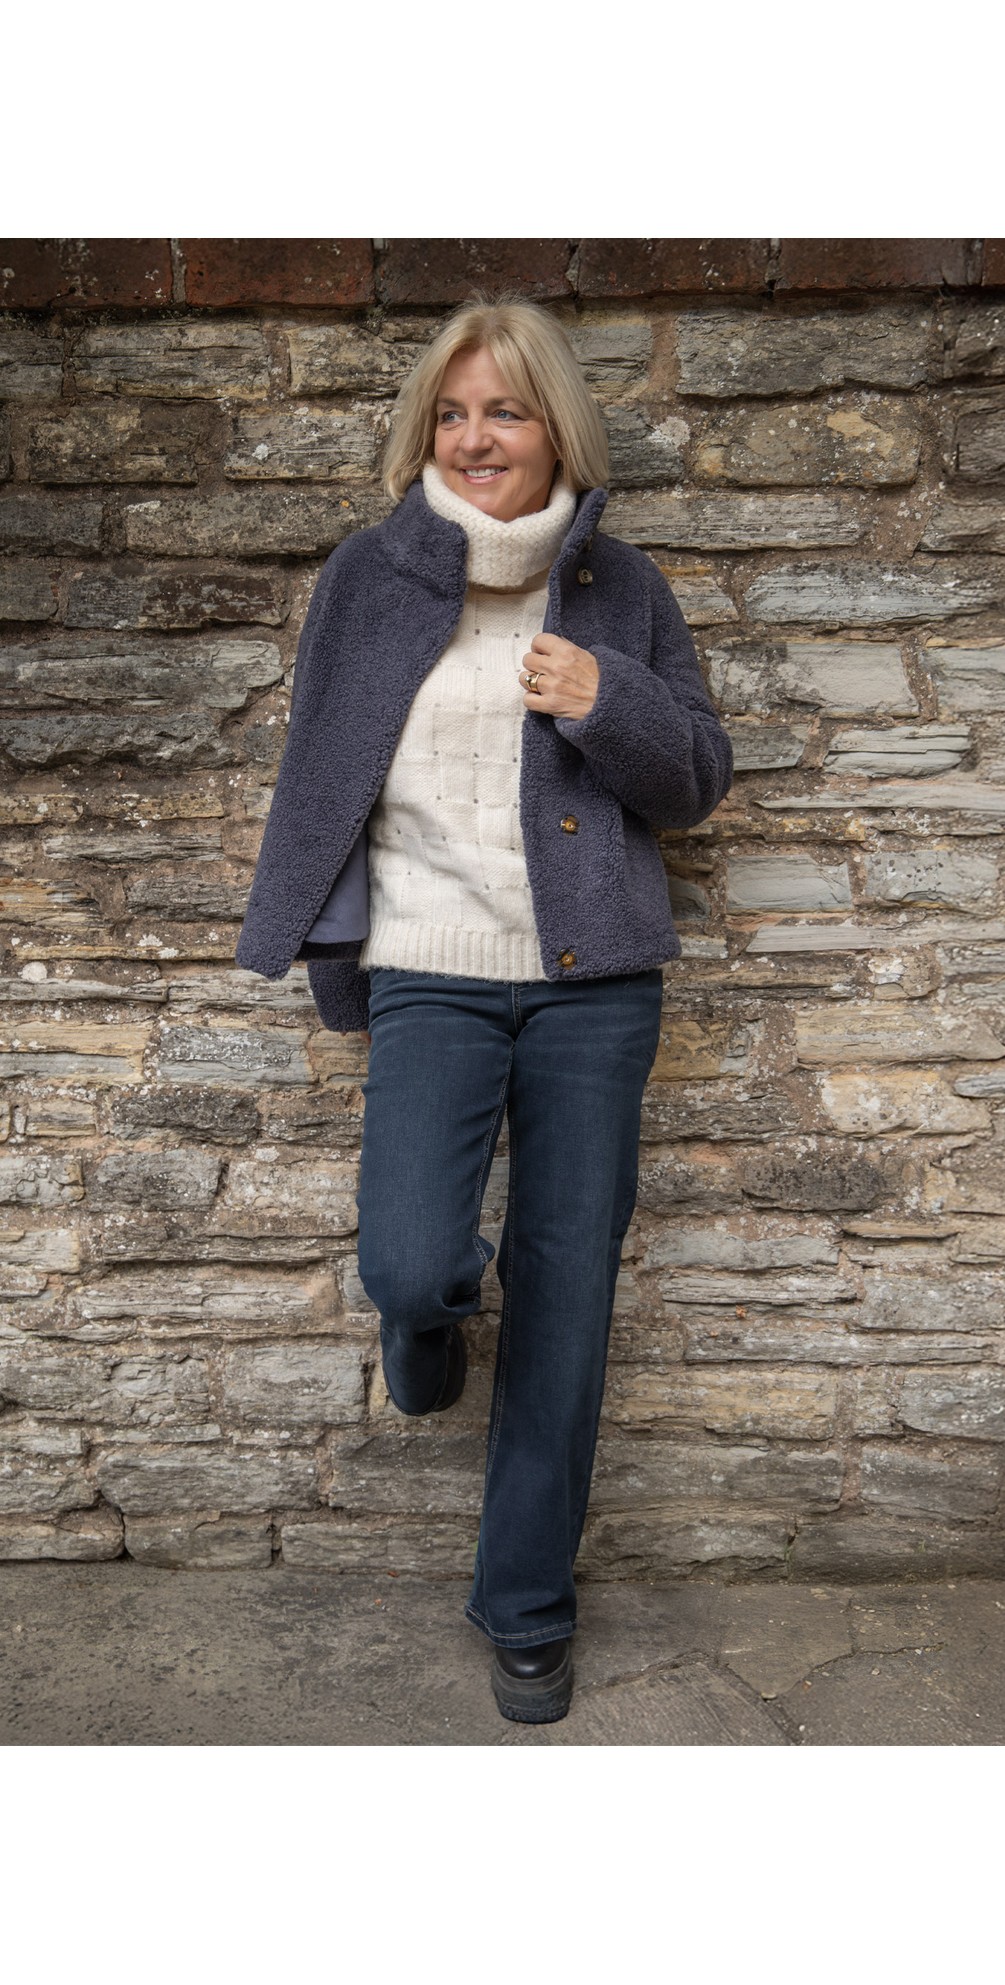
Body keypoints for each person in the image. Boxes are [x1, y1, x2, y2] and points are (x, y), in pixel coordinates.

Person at [236, 293, 734, 1725]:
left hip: (593, 989)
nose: (474, 438)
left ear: (555, 428)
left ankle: (526, 1607)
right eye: (450, 414)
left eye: (504, 410)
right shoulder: (369, 576)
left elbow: (697, 778)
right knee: (407, 1259)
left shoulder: (623, 590)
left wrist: (605, 697)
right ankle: (427, 1324)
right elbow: (318, 770)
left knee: (567, 1298)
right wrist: (315, 945)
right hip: (429, 971)